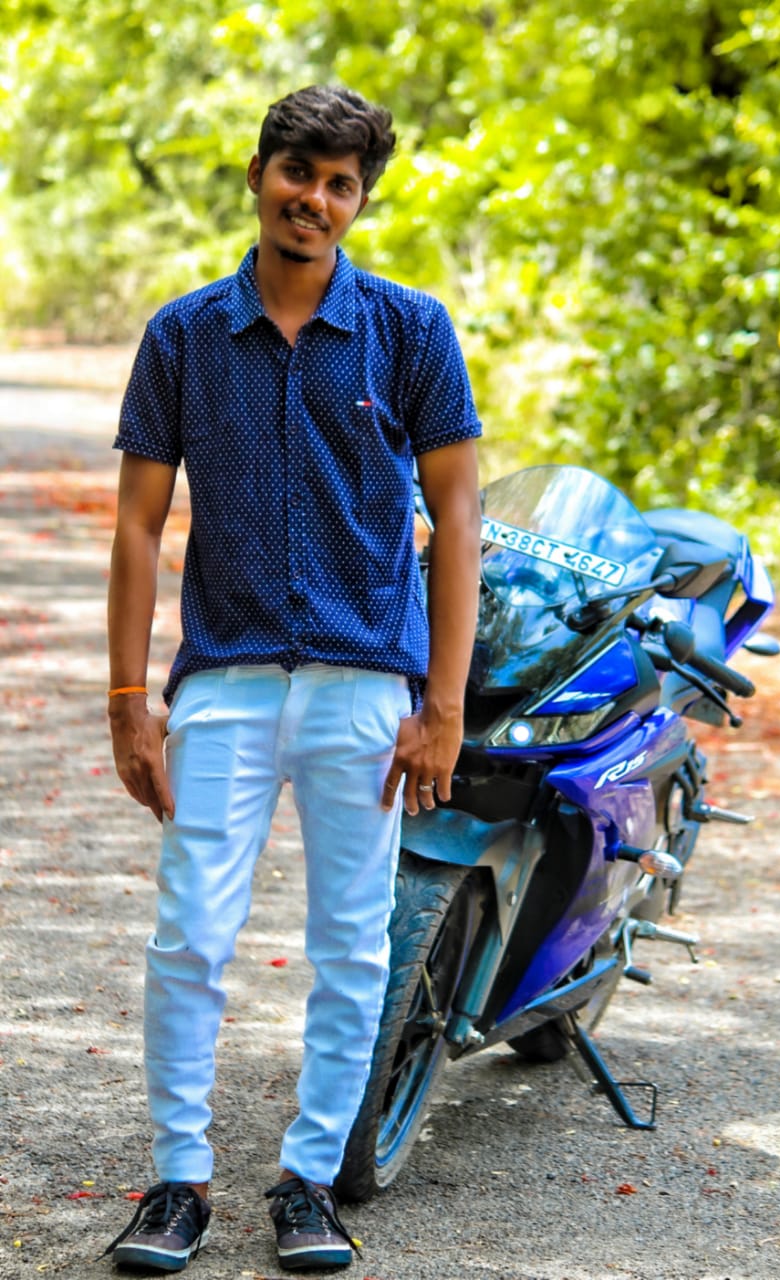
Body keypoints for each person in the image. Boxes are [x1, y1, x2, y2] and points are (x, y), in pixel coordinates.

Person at [103, 84, 481, 1274]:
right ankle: (178, 1181)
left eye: (338, 183)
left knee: (354, 944)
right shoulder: (182, 336)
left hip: (364, 682)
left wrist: (443, 704)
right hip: (226, 676)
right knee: (188, 934)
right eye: (296, 172)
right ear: (258, 174)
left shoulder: (410, 330)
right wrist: (127, 701)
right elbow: (136, 522)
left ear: (358, 201)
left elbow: (458, 516)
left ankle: (309, 1181)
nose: (312, 198)